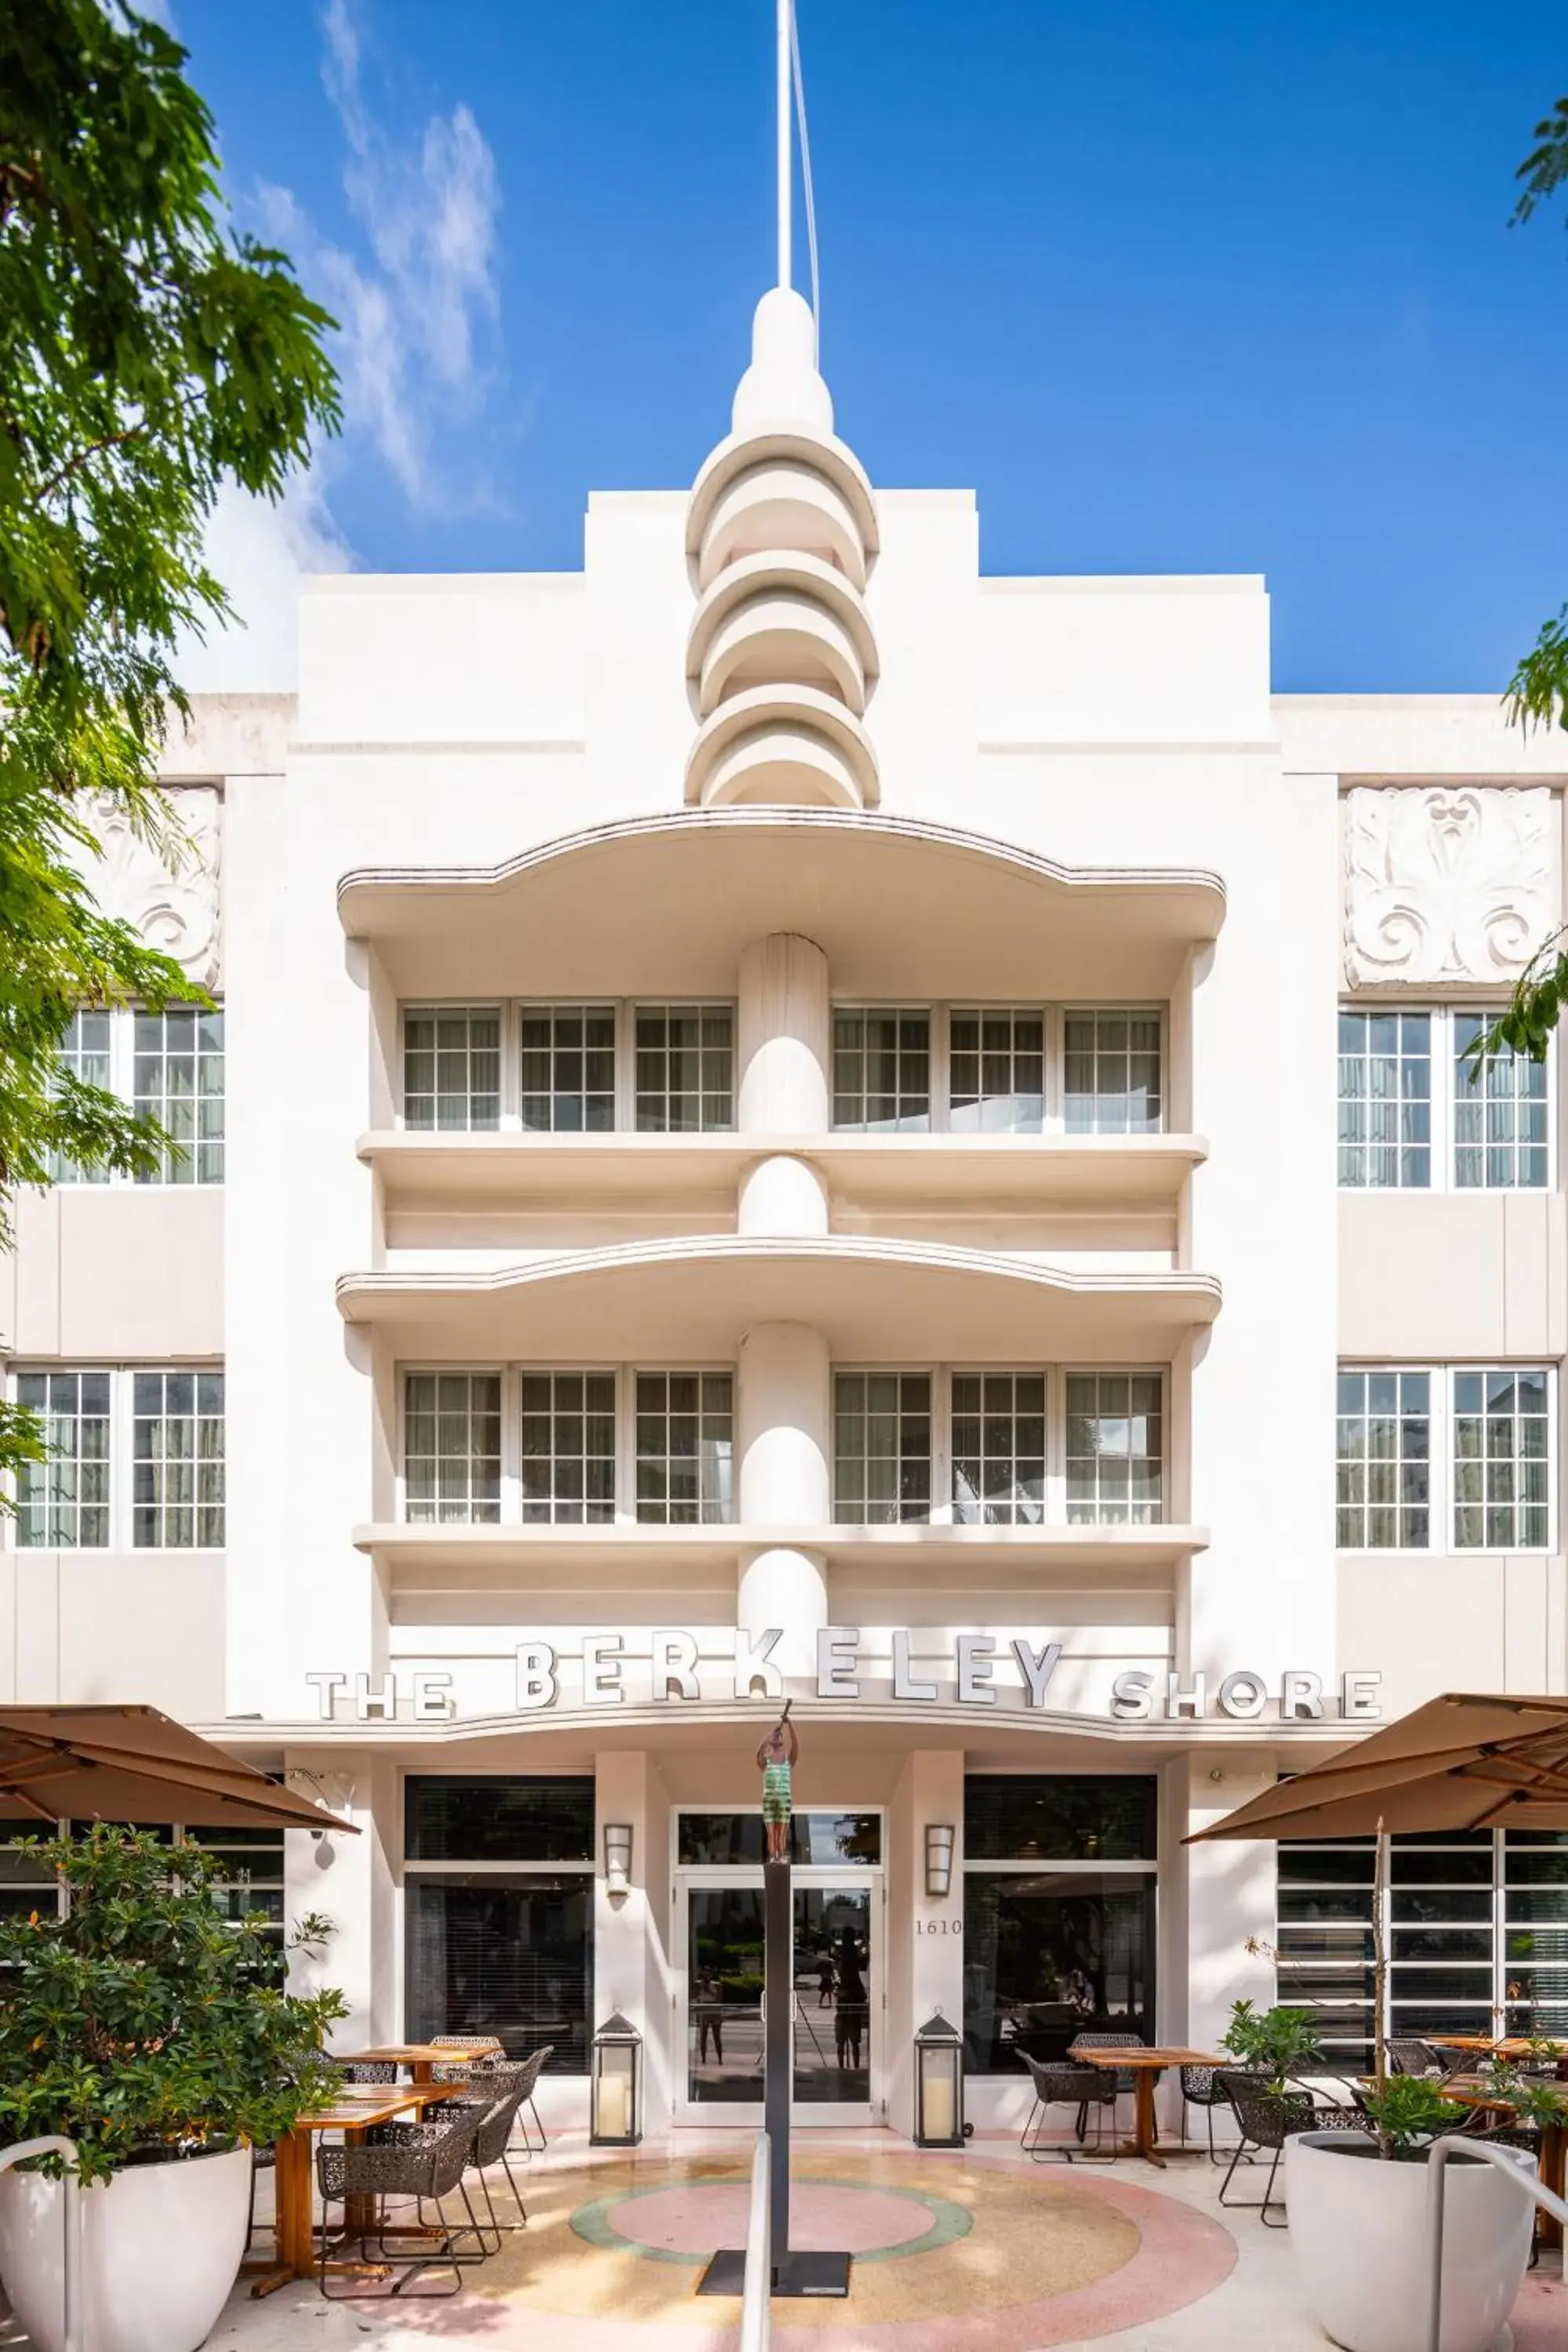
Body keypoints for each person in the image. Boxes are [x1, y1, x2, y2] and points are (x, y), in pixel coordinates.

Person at [756, 1703, 798, 1865]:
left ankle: (781, 1855)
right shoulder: (766, 1761)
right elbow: (758, 1754)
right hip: (769, 1798)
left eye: (780, 1736)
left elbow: (796, 1746)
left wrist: (790, 1725)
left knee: (782, 1830)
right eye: (777, 1736)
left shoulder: (788, 1760)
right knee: (771, 1831)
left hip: (784, 1797)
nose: (778, 1736)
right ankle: (773, 1855)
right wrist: (769, 1735)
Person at [834, 1933, 867, 2072]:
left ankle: (853, 2067)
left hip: (850, 2014)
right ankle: (847, 2067)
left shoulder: (853, 1982)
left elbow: (862, 1997)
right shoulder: (845, 1981)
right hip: (845, 2014)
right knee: (843, 2043)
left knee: (851, 2043)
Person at [694, 1969, 724, 2066]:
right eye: (705, 1974)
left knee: (717, 2036)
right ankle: (703, 2058)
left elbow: (718, 1998)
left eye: (708, 1974)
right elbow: (695, 1995)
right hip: (704, 2009)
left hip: (714, 2010)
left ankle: (720, 2058)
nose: (707, 1976)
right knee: (703, 2036)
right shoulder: (699, 1985)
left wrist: (709, 1990)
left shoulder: (716, 1985)